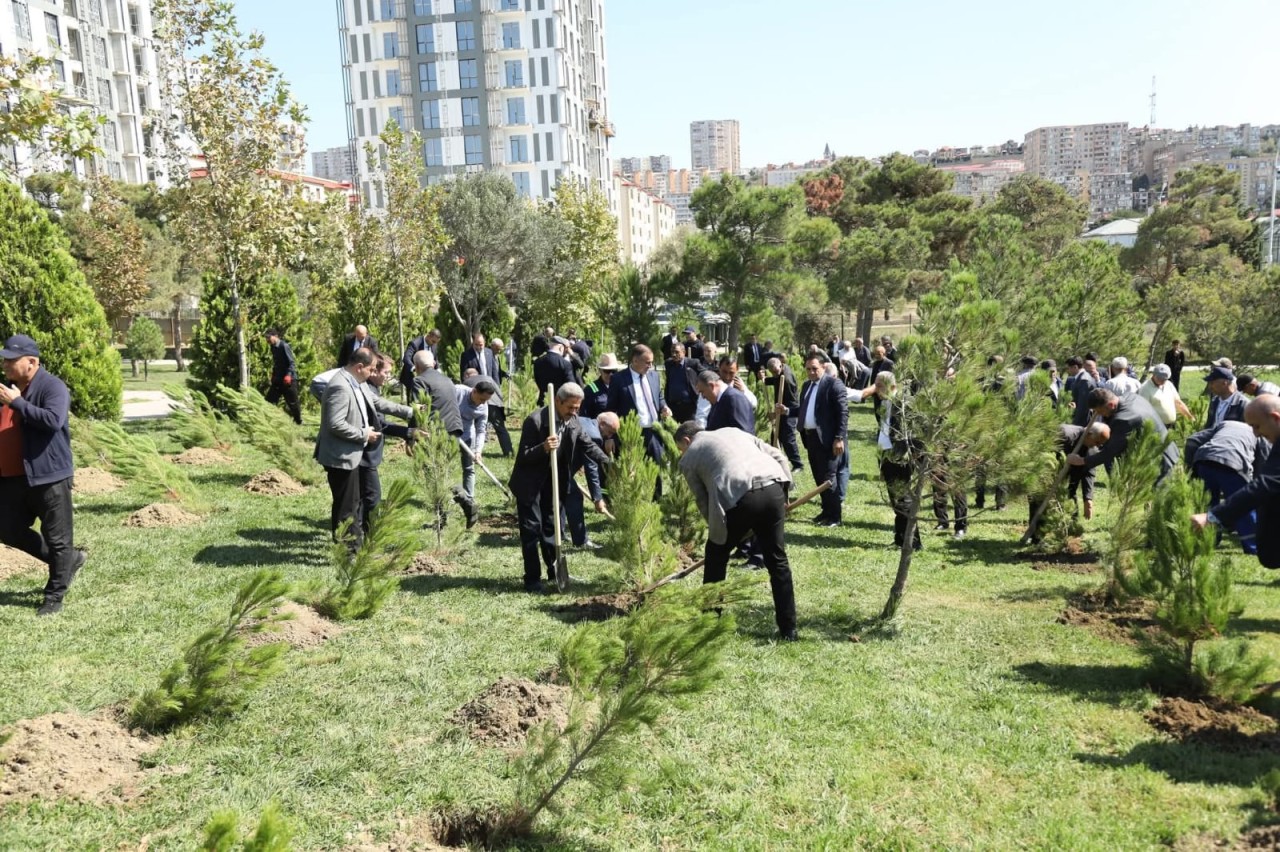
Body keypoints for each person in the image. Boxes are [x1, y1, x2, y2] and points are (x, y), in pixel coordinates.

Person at [675, 421, 797, 641]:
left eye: (680, 448)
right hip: (773, 489)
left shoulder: (689, 456)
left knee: (715, 557)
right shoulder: (732, 430)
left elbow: (704, 501)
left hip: (740, 499)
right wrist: (785, 492)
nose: (682, 453)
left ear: (686, 441)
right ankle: (789, 629)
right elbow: (778, 455)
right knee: (777, 560)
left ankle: (710, 624)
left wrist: (718, 536)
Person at [0, 334, 84, 616]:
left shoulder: (52, 386)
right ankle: (68, 561)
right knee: (7, 528)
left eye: (12, 360)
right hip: (13, 478)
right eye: (5, 359)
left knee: (58, 538)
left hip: (49, 477)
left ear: (32, 362)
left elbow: (52, 420)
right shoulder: (9, 390)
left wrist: (18, 403)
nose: (6, 364)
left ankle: (54, 596)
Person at [509, 383, 612, 592]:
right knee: (531, 530)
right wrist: (544, 448)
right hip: (530, 484)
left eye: (577, 408)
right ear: (557, 401)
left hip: (554, 482)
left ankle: (553, 571)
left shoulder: (573, 420)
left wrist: (610, 464)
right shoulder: (536, 421)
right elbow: (524, 456)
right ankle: (532, 579)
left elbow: (587, 445)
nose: (574, 412)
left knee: (551, 527)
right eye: (570, 407)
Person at [1192, 395, 1280, 567]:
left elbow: (1265, 483)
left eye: (1256, 426)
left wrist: (1212, 516)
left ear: (1275, 418)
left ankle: (1251, 545)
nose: (1255, 433)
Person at [315, 348, 382, 547]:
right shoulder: (340, 386)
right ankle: (347, 551)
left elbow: (377, 402)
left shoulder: (355, 382)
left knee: (352, 503)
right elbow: (335, 424)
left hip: (349, 454)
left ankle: (352, 546)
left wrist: (409, 412)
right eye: (371, 369)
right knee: (346, 507)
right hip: (340, 456)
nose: (372, 374)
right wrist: (364, 434)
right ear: (359, 367)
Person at [1186, 419, 1270, 555]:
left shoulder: (1225, 423)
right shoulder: (1260, 433)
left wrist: (1189, 467)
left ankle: (1209, 541)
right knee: (1243, 506)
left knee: (1208, 504)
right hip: (1232, 463)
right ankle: (1254, 546)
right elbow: (1263, 465)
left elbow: (1192, 440)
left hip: (1203, 460)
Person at [785, 354, 850, 527]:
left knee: (829, 478)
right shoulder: (807, 386)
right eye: (808, 369)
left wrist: (839, 438)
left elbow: (843, 413)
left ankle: (835, 517)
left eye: (815, 368)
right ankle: (826, 511)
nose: (811, 372)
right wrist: (786, 411)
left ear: (823, 367)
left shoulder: (834, 384)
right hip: (811, 438)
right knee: (819, 477)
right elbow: (805, 409)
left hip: (829, 439)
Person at [1067, 387, 1179, 479]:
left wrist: (1082, 460)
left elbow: (1110, 452)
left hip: (1161, 459)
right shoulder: (1131, 396)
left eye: (1100, 411)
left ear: (1111, 405)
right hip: (1166, 450)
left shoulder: (1125, 420)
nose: (1100, 415)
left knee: (1161, 498)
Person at [359, 353, 414, 534]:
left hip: (367, 455)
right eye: (387, 373)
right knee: (372, 497)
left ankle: (358, 535)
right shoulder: (367, 391)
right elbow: (380, 425)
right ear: (374, 371)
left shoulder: (373, 389)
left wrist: (409, 433)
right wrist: (407, 431)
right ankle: (368, 538)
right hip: (363, 456)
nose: (389, 377)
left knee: (362, 498)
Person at [605, 343, 669, 464]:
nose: (650, 366)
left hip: (654, 432)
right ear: (635, 360)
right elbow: (611, 409)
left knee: (656, 473)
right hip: (633, 434)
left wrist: (664, 407)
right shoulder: (619, 379)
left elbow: (659, 396)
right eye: (647, 362)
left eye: (652, 362)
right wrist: (610, 437)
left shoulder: (654, 375)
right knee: (634, 473)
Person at [568, 410, 618, 549]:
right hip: (558, 468)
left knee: (561, 497)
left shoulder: (584, 420)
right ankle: (581, 541)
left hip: (558, 466)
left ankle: (559, 533)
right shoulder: (595, 436)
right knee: (574, 497)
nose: (609, 436)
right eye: (610, 432)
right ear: (601, 424)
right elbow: (591, 469)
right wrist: (597, 498)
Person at [455, 376, 498, 526]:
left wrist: (478, 451)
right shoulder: (457, 391)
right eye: (481, 399)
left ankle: (469, 501)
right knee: (444, 467)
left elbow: (481, 430)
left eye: (485, 401)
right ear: (474, 391)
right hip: (447, 433)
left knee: (469, 468)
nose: (482, 403)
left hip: (467, 436)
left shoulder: (483, 406)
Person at [763, 357, 803, 471]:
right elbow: (776, 379)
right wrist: (765, 380)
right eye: (772, 372)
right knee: (775, 436)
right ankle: (775, 460)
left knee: (788, 438)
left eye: (775, 372)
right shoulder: (780, 373)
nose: (774, 374)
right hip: (781, 408)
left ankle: (798, 464)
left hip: (789, 409)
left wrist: (779, 413)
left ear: (780, 366)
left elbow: (792, 401)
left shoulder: (787, 380)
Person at [698, 369, 755, 434]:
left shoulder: (734, 398)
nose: (703, 396)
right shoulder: (718, 401)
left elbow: (744, 434)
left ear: (711, 386)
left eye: (702, 392)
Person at [265, 329, 302, 425]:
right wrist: (273, 374)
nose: (267, 340)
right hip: (278, 379)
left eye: (268, 337)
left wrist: (289, 375)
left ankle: (298, 422)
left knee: (293, 403)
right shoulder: (272, 347)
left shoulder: (284, 346)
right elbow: (276, 363)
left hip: (289, 379)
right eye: (266, 338)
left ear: (275, 336)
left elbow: (292, 363)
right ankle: (267, 423)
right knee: (269, 400)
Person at [1138, 364, 1192, 428]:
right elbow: (1142, 411)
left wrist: (1190, 418)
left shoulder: (1169, 384)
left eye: (1165, 379)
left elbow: (1178, 402)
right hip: (1156, 428)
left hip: (1171, 425)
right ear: (1154, 375)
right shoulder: (1145, 388)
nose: (1163, 381)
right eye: (1160, 378)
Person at [486, 337, 513, 457]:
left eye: (500, 349)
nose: (499, 351)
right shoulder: (487, 357)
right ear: (491, 346)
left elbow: (496, 371)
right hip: (489, 391)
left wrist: (504, 373)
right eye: (497, 349)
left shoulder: (496, 357)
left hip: (496, 389)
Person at [533, 336, 576, 406]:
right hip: (559, 402)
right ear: (560, 348)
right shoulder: (565, 364)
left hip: (543, 400)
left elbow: (537, 380)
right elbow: (571, 385)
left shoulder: (538, 362)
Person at [663, 342, 699, 424]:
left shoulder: (693, 363)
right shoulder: (668, 364)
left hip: (689, 407)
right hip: (672, 406)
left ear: (684, 352)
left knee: (689, 431)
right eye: (672, 352)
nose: (674, 354)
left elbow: (704, 373)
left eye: (676, 352)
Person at [400, 329, 440, 401]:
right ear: (428, 336)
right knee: (414, 401)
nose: (434, 344)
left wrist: (438, 370)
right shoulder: (415, 343)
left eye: (436, 342)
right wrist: (415, 369)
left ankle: (424, 411)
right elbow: (406, 358)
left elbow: (435, 359)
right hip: (412, 377)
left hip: (428, 378)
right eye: (433, 341)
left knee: (426, 400)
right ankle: (415, 411)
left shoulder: (434, 345)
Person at [1203, 365, 1247, 429]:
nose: (1210, 387)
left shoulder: (1243, 404)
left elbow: (1246, 431)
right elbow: (1209, 426)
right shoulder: (1214, 401)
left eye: (1212, 383)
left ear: (1224, 383)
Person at [582, 352, 621, 418]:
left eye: (614, 371)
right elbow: (584, 416)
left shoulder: (621, 387)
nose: (611, 374)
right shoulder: (590, 389)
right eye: (607, 371)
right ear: (600, 370)